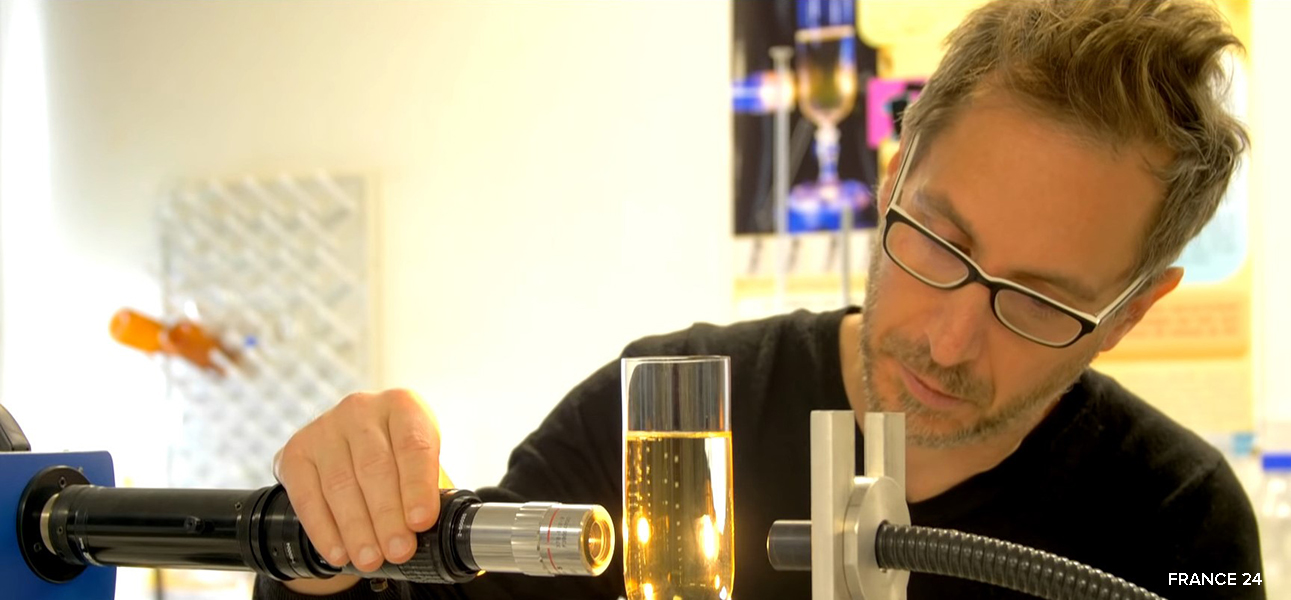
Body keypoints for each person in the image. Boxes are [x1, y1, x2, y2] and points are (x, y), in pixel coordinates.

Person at [255, 0, 1264, 598]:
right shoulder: (660, 413)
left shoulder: (1178, 521)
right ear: (896, 167)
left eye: (1039, 302)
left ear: (1131, 311)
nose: (949, 339)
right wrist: (326, 544)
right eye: (938, 243)